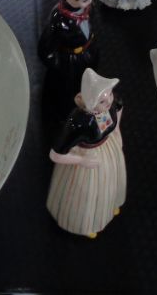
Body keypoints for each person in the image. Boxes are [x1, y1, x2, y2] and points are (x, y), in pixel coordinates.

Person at [46, 68, 126, 238]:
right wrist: (81, 160)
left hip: (107, 150)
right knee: (87, 194)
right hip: (87, 157)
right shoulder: (79, 122)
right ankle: (86, 223)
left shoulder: (112, 104)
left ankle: (110, 206)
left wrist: (117, 131)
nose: (109, 102)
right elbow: (55, 155)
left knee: (109, 184)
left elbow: (119, 107)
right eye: (103, 101)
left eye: (110, 95)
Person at [38, 0, 100, 116]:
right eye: (85, 0)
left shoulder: (88, 8)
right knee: (68, 89)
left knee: (88, 80)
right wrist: (58, 65)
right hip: (70, 60)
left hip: (88, 52)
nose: (90, 1)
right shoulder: (58, 19)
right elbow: (46, 47)